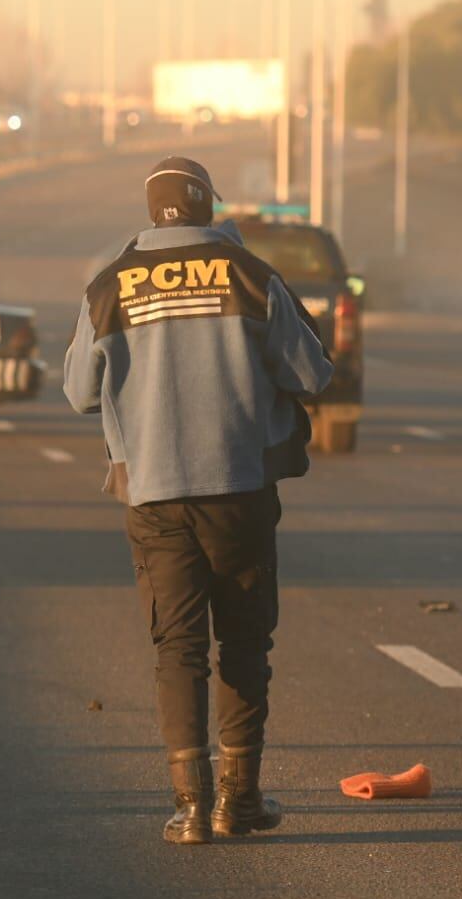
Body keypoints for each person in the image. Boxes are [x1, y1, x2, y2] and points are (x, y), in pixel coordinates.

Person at [63, 156, 334, 846]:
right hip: (239, 488)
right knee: (244, 643)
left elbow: (77, 392)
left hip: (152, 495)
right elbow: (312, 372)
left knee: (176, 649)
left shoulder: (109, 284)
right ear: (207, 205)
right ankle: (238, 801)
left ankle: (189, 807)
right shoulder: (249, 275)